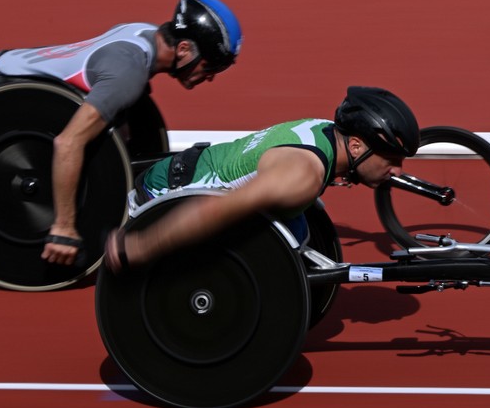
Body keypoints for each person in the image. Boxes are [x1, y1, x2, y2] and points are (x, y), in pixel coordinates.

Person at [0, 0, 243, 268]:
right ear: (183, 49)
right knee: (80, 137)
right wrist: (63, 228)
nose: (210, 77)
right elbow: (68, 143)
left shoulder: (144, 33)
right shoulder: (127, 73)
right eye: (210, 66)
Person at [104, 86, 420, 272]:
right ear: (356, 146)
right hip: (162, 197)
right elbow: (216, 211)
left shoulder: (325, 130)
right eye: (390, 159)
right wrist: (144, 245)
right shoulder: (302, 175)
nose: (397, 171)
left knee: (298, 232)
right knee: (282, 250)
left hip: (186, 170)